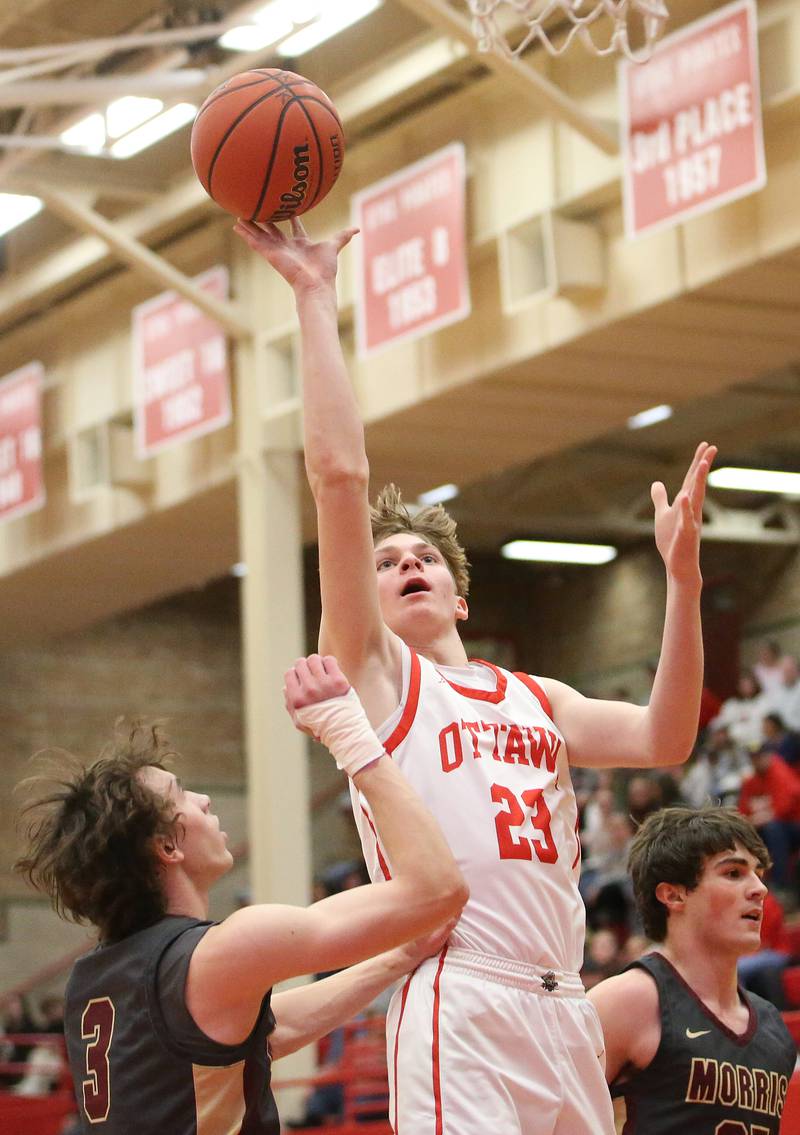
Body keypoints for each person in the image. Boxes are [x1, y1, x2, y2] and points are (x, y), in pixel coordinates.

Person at [235, 216, 717, 1135]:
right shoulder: (375, 674)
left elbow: (667, 735)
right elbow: (339, 475)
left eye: (425, 556)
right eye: (386, 561)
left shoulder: (542, 698)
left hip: (566, 1002)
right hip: (460, 995)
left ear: (459, 596)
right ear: (367, 602)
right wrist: (311, 295)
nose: (407, 562)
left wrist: (683, 583)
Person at [14, 655, 467, 1135]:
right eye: (181, 793)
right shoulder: (220, 951)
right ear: (167, 845)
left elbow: (269, 1032)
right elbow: (437, 890)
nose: (204, 800)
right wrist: (348, 732)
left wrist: (397, 958)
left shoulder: (93, 979)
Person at [589, 806, 796, 1133]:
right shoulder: (628, 1001)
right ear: (673, 895)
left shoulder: (773, 1028)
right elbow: (546, 1118)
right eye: (733, 873)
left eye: (759, 873)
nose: (760, 888)